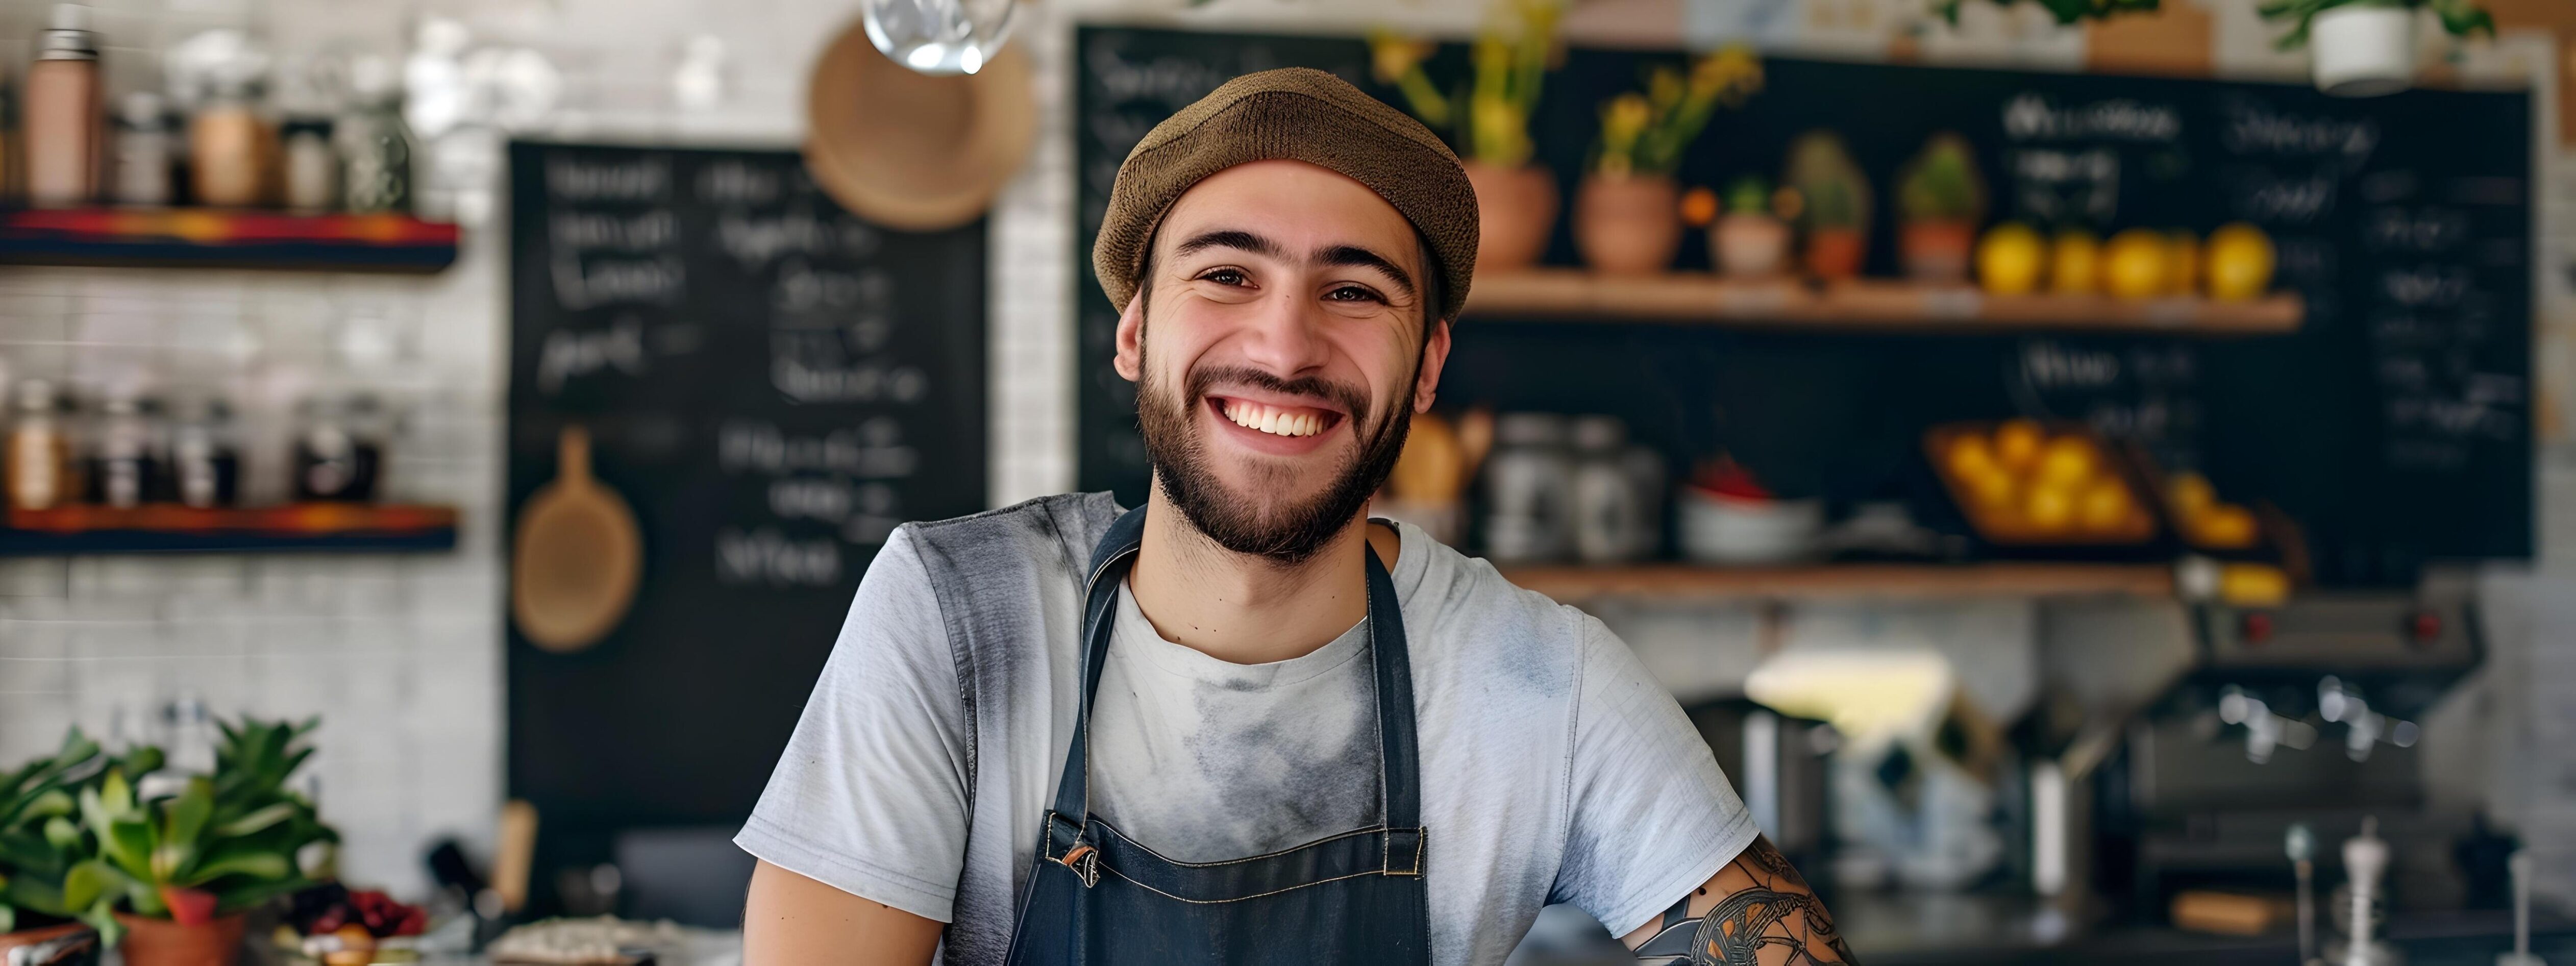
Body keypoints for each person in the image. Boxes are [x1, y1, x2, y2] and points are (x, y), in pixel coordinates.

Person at [735, 68, 1855, 965]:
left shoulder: (1537, 683)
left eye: (1355, 290)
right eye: (1226, 274)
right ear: (1134, 334)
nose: (1283, 345)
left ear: (1426, 367)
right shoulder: (959, 619)